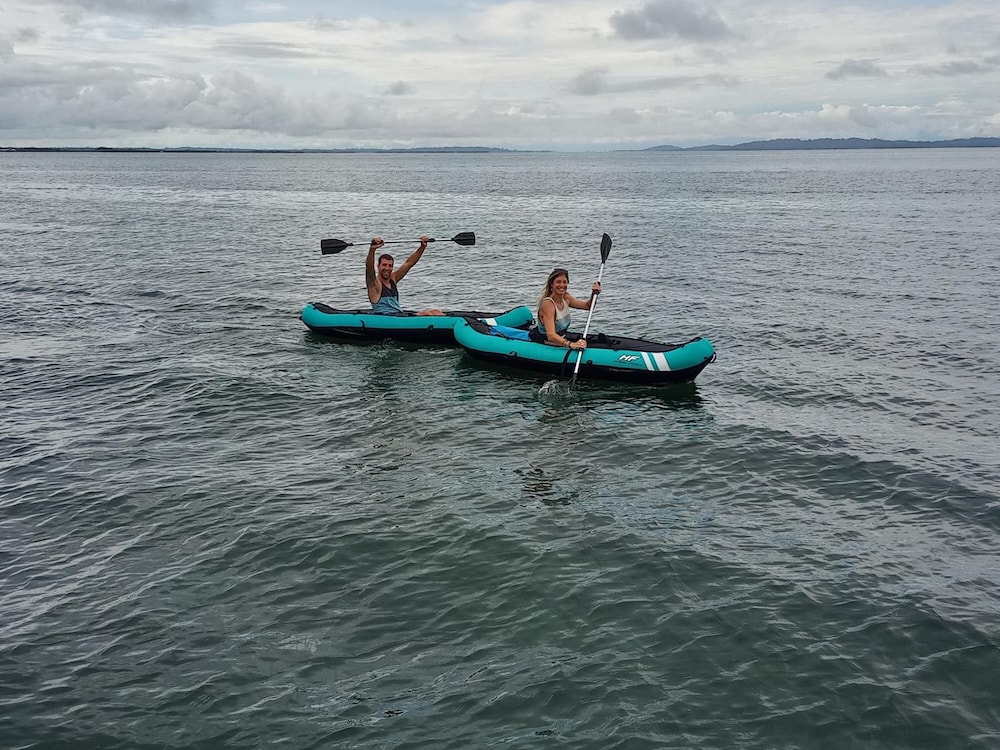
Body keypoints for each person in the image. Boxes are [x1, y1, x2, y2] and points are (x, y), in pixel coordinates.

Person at [366, 235, 444, 316]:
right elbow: (369, 269)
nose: (387, 268)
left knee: (436, 312)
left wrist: (422, 247)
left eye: (390, 266)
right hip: (388, 319)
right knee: (426, 314)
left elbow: (409, 263)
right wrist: (372, 249)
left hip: (400, 315)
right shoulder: (375, 285)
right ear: (378, 266)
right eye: (384, 265)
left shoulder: (393, 279)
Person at [533, 267, 601, 350]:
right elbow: (551, 335)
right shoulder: (548, 304)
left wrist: (594, 293)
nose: (562, 285)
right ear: (552, 284)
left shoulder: (566, 298)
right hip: (548, 342)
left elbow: (588, 306)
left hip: (563, 337)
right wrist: (571, 344)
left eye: (565, 282)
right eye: (558, 282)